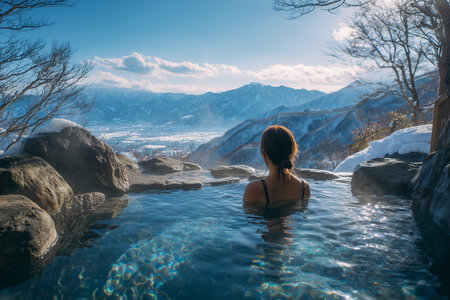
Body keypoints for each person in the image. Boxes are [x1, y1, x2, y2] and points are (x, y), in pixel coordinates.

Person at [243, 125, 310, 208]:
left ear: (264, 153)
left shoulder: (253, 189)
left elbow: (250, 218)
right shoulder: (304, 187)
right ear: (293, 151)